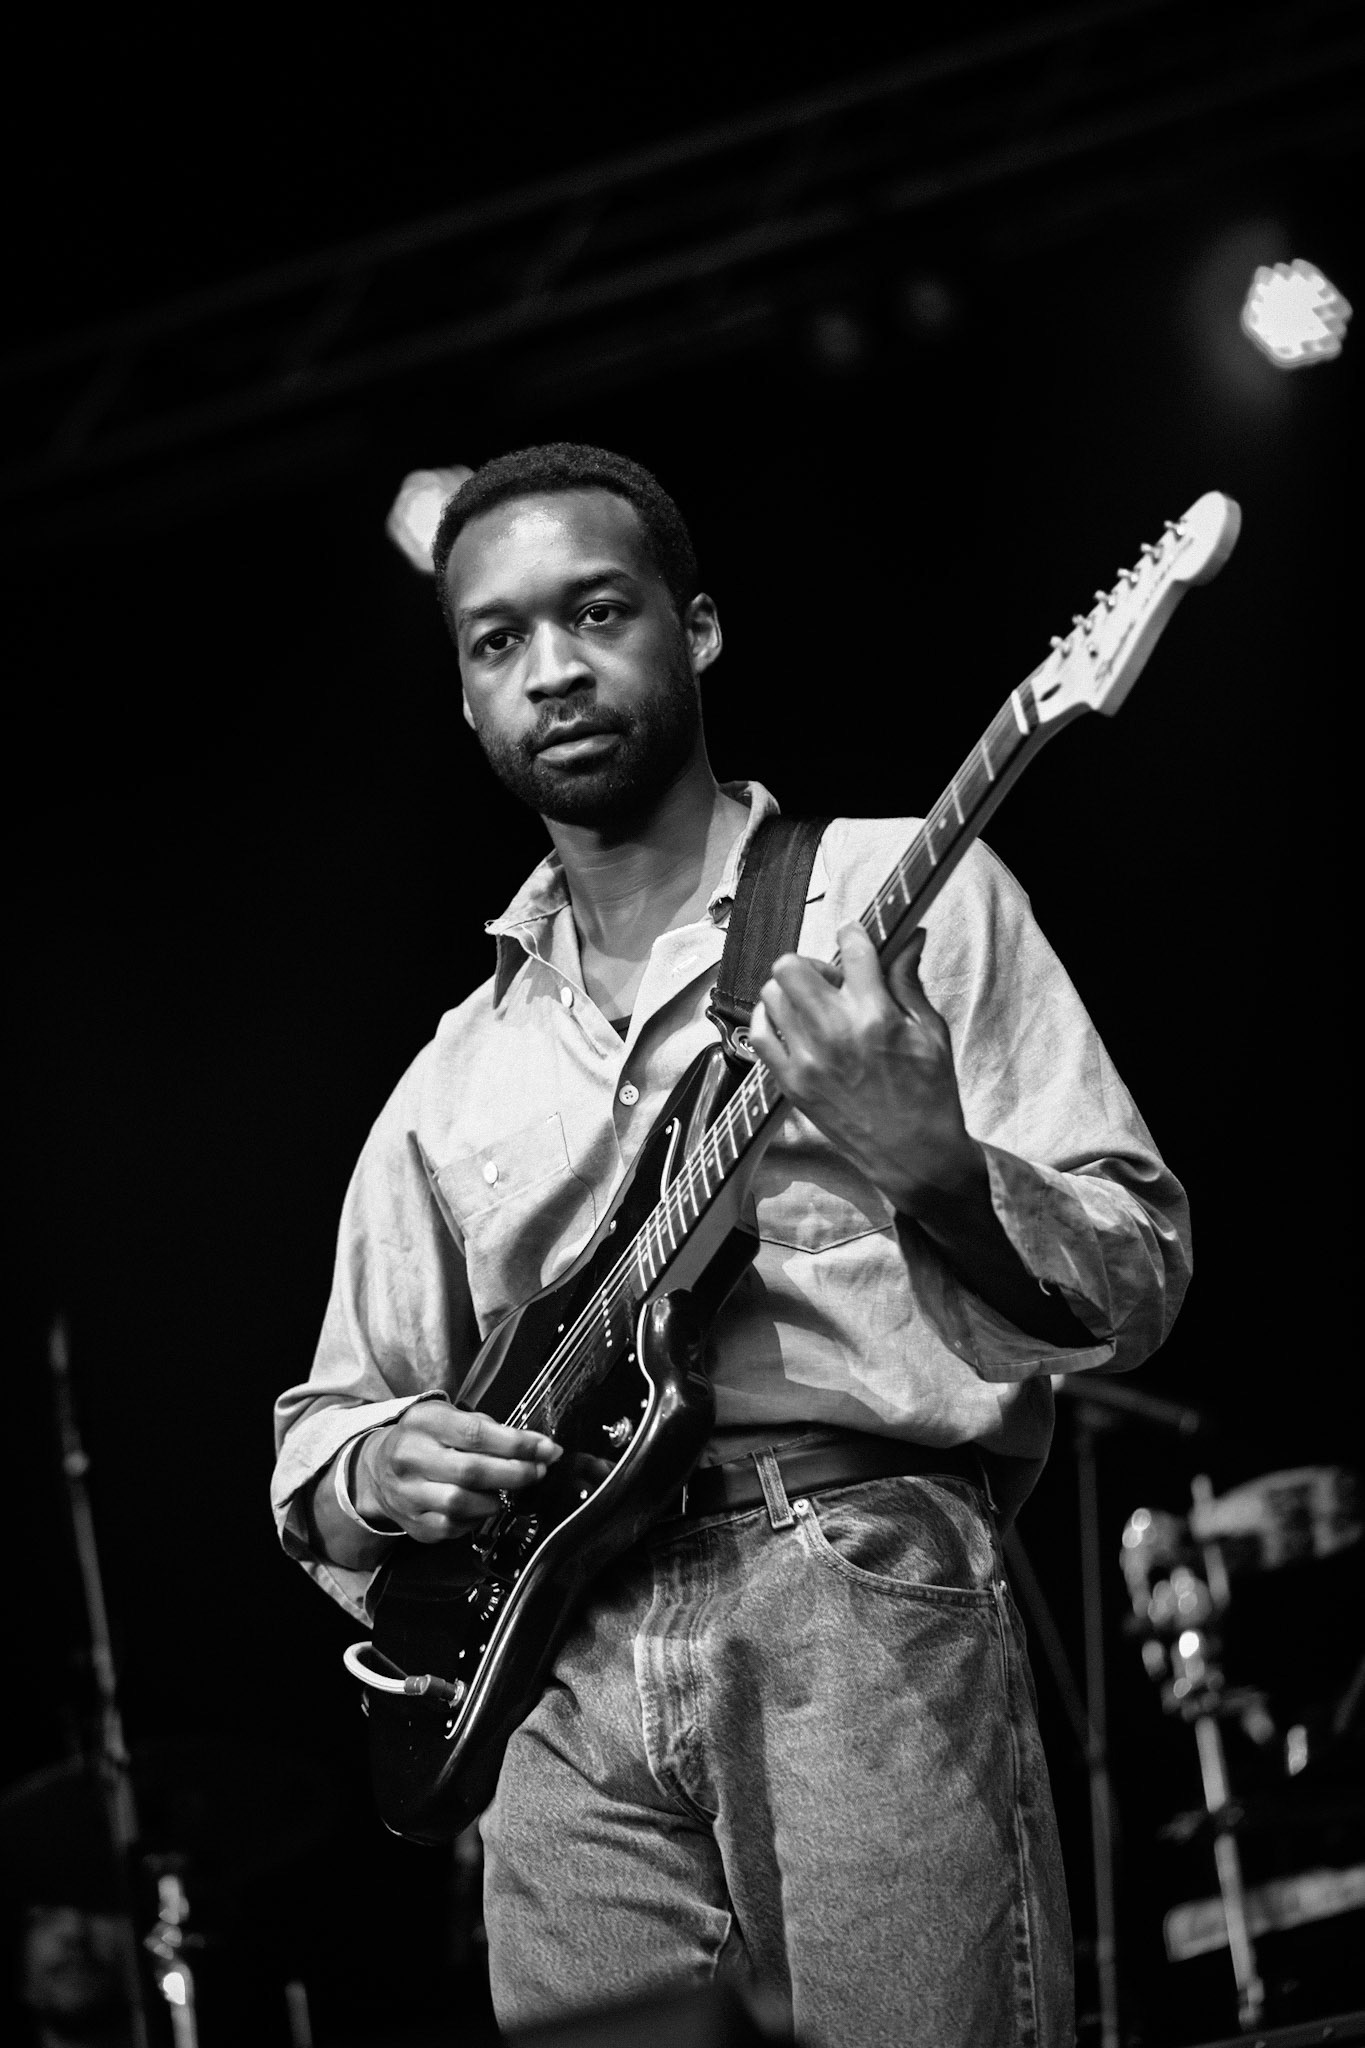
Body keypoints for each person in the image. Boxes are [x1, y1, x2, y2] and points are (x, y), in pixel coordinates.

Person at [271, 443, 1191, 2048]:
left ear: (693, 629)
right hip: (557, 1671)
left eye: (596, 611)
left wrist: (940, 1171)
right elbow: (324, 1423)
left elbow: (1136, 1262)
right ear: (466, 699)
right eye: (497, 641)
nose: (552, 668)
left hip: (848, 1585)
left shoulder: (898, 892)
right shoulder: (451, 1075)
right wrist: (376, 1469)